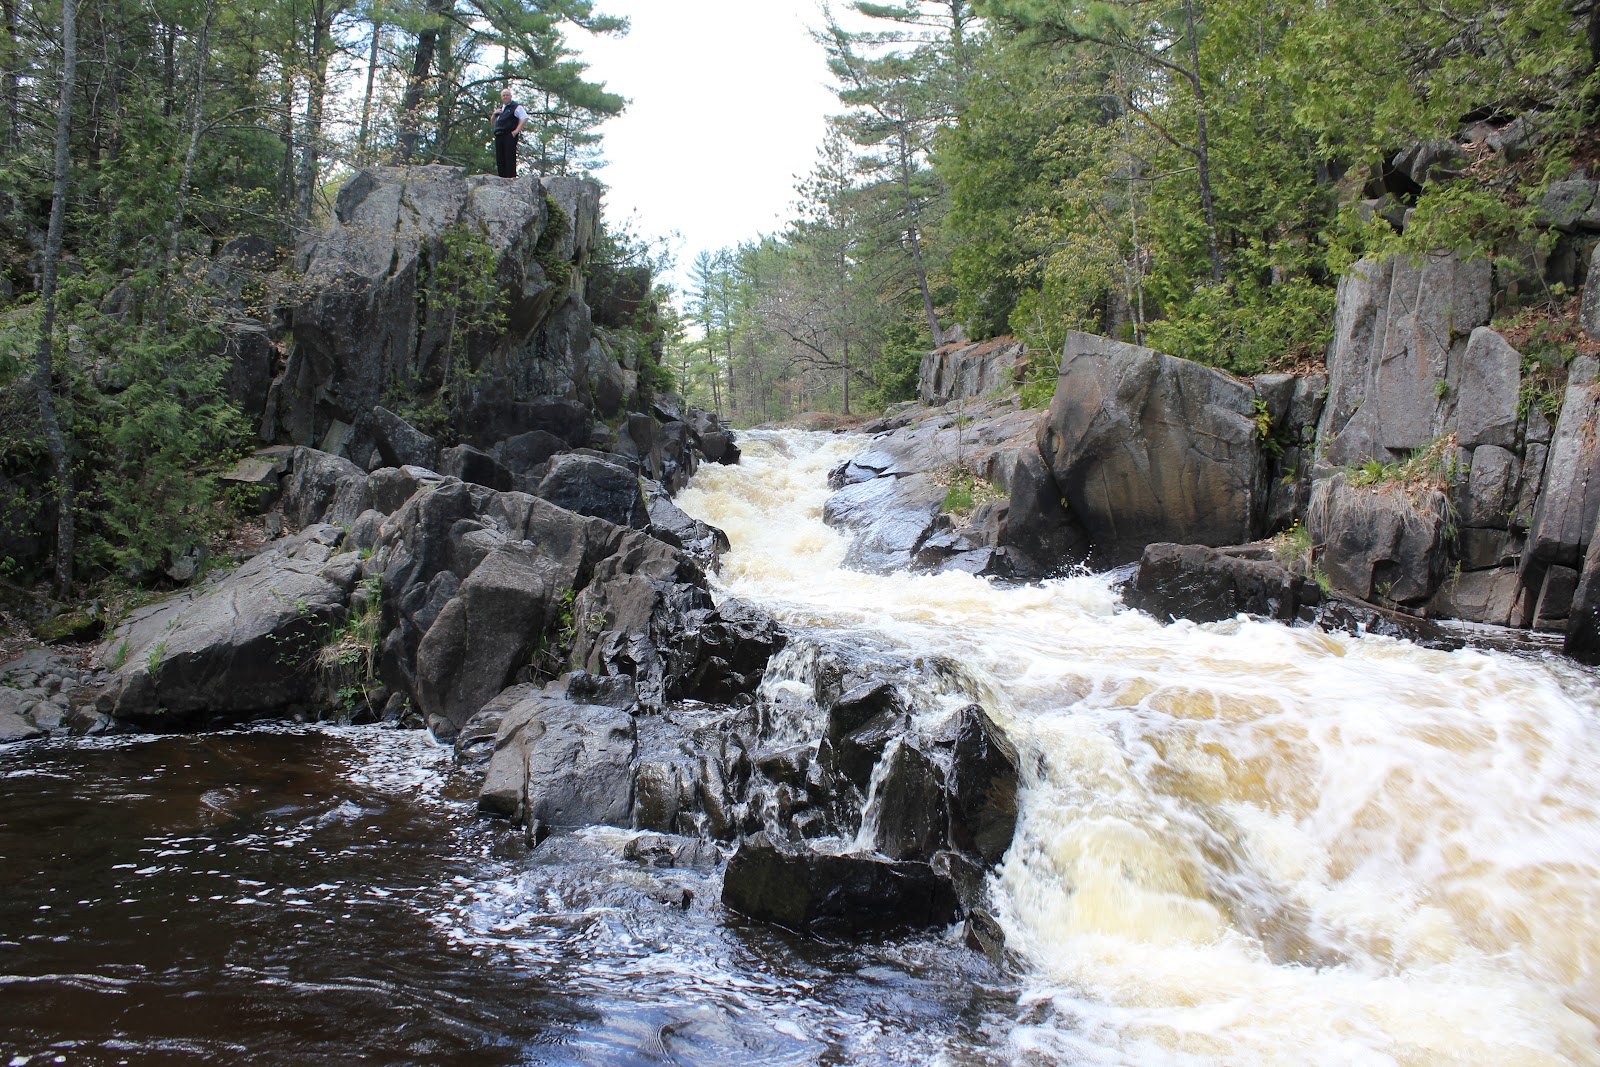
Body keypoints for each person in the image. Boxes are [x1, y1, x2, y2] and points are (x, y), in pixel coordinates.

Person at [492, 89, 528, 178]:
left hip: (509, 134)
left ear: (511, 96)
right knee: (500, 159)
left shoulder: (516, 107)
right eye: (503, 95)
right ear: (501, 97)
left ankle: (511, 178)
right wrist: (494, 115)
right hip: (499, 135)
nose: (505, 97)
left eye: (507, 95)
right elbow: (493, 123)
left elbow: (524, 118)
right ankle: (501, 178)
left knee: (509, 158)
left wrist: (516, 131)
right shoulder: (500, 109)